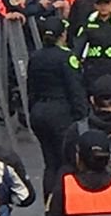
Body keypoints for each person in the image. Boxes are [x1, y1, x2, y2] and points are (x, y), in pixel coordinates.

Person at [27, 16, 88, 191]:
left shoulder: (35, 57)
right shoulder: (66, 57)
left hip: (39, 112)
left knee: (50, 163)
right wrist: (82, 116)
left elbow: (31, 88)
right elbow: (75, 88)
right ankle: (64, 201)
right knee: (66, 162)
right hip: (60, 113)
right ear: (62, 35)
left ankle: (49, 201)